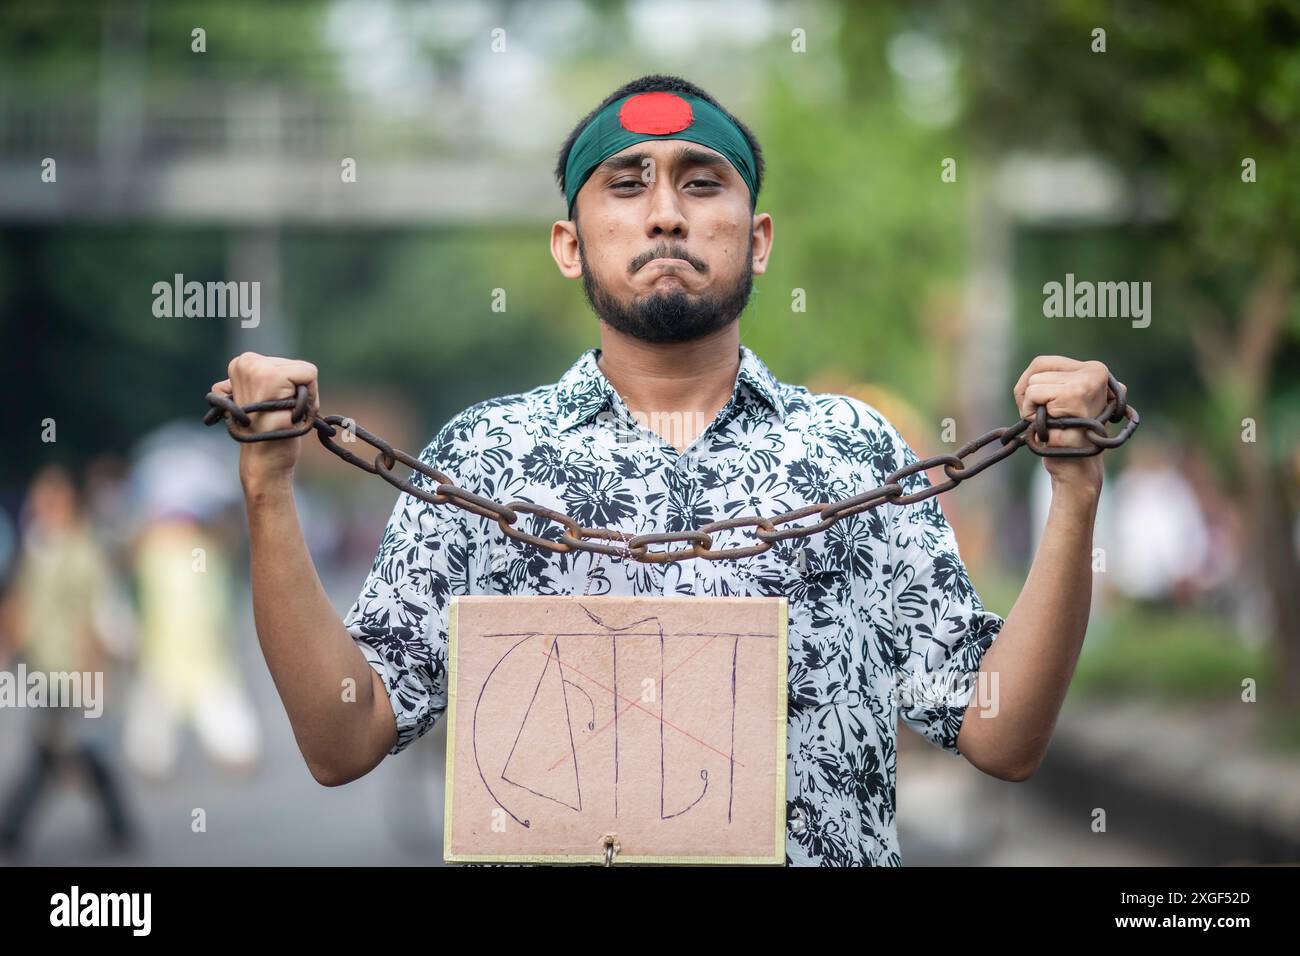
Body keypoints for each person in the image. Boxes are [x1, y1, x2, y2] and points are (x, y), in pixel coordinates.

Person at [212, 75, 1118, 867]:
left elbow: (1001, 736)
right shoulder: (482, 459)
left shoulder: (855, 451)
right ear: (570, 243)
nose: (666, 212)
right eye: (627, 183)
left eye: (701, 181)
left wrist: (1074, 495)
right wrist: (268, 487)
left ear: (757, 239)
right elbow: (344, 736)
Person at [0, 465, 135, 856]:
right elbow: (21, 603)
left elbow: (96, 615)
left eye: (52, 498)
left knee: (54, 747)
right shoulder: (36, 547)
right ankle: (119, 825)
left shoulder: (83, 553)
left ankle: (12, 828)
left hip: (73, 669)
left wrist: (95, 672)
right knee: (63, 748)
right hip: (42, 664)